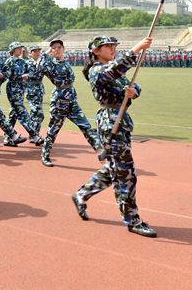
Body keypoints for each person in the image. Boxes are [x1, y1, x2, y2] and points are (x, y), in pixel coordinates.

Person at [72, 35, 156, 238]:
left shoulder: (113, 68)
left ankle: (81, 194)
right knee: (125, 174)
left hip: (121, 120)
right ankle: (132, 220)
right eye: (108, 46)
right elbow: (115, 70)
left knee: (114, 168)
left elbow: (134, 85)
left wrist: (132, 92)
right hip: (110, 122)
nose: (112, 48)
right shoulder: (96, 70)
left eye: (113, 46)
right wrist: (136, 49)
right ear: (96, 51)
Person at [38, 38, 99, 167]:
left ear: (63, 49)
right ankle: (45, 154)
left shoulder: (66, 63)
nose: (57, 50)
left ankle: (100, 149)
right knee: (53, 129)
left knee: (85, 126)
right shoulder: (50, 64)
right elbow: (39, 65)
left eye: (59, 47)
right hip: (59, 101)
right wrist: (47, 52)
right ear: (51, 51)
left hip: (71, 100)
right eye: (54, 48)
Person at [2, 42, 42, 145]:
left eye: (20, 48)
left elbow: (30, 72)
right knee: (22, 112)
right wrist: (20, 77)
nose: (20, 50)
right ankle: (34, 136)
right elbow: (7, 75)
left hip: (21, 89)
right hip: (13, 89)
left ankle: (7, 137)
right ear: (13, 50)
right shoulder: (9, 61)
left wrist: (28, 75)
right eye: (18, 48)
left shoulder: (23, 62)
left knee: (13, 114)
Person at [24, 45, 46, 144]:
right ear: (31, 53)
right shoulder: (27, 63)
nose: (37, 53)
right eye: (35, 51)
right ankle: (34, 134)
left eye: (38, 51)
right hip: (31, 90)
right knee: (39, 113)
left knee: (34, 114)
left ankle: (33, 135)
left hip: (39, 89)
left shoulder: (41, 62)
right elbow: (25, 75)